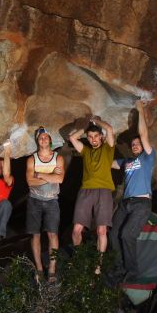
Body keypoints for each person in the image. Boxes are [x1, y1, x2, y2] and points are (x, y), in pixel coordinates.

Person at [110, 100, 155, 281]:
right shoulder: (127, 162)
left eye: (138, 144)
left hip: (141, 203)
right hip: (125, 203)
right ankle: (119, 268)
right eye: (134, 144)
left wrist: (140, 109)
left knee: (127, 234)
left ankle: (133, 271)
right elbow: (107, 163)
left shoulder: (148, 158)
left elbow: (144, 135)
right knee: (114, 234)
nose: (136, 145)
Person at [68, 116, 116, 272]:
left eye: (96, 136)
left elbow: (109, 129)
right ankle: (80, 259)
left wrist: (96, 121)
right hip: (86, 190)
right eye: (90, 137)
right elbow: (72, 137)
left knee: (101, 230)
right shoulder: (86, 151)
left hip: (104, 190)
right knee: (76, 230)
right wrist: (86, 126)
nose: (93, 139)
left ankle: (98, 266)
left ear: (101, 137)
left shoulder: (108, 149)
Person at [25, 127, 64, 282]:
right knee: (35, 234)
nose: (43, 140)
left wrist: (39, 174)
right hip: (34, 200)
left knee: (52, 234)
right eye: (40, 137)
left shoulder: (58, 158)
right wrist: (51, 176)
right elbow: (29, 181)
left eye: (46, 137)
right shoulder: (32, 159)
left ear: (50, 139)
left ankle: (52, 269)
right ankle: (40, 269)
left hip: (52, 200)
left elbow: (60, 179)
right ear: (37, 140)